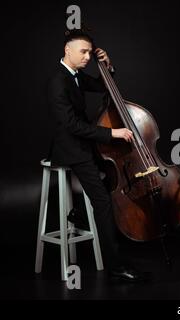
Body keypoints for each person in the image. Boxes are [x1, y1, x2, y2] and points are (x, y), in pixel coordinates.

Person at [47, 29, 146, 282]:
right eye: (83, 51)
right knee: (103, 202)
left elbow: (105, 87)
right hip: (71, 148)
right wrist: (112, 133)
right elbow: (71, 125)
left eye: (90, 52)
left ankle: (79, 211)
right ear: (67, 50)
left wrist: (107, 64)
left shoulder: (76, 75)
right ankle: (115, 266)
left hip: (85, 144)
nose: (88, 56)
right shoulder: (58, 80)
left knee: (112, 180)